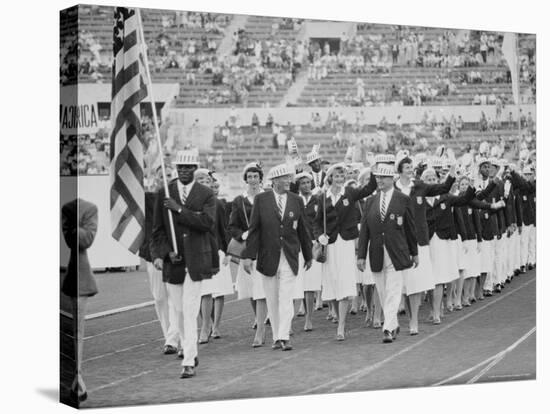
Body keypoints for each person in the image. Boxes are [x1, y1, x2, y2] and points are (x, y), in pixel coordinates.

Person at [150, 149, 217, 379]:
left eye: (188, 168)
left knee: (189, 311)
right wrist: (165, 253)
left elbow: (207, 223)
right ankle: (189, 349)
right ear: (176, 169)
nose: (184, 172)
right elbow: (157, 231)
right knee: (178, 312)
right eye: (180, 168)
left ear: (195, 168)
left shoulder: (206, 193)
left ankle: (188, 361)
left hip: (197, 261)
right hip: (174, 263)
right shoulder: (164, 193)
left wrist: (179, 209)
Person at [242, 163, 313, 351]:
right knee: (272, 298)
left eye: (289, 178)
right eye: (284, 178)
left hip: (290, 255)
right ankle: (276, 336)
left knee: (286, 296)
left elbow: (304, 230)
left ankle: (284, 335)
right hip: (267, 256)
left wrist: (308, 254)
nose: (289, 181)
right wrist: (248, 256)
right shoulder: (261, 200)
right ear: (274, 181)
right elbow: (254, 230)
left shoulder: (296, 200)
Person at [313, 162, 377, 340]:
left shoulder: (350, 193)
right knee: (332, 281)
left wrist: (372, 169)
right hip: (330, 244)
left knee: (344, 280)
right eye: (337, 176)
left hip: (346, 242)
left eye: (343, 176)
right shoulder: (322, 197)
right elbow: (316, 223)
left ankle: (341, 326)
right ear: (330, 178)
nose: (340, 179)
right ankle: (335, 313)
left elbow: (369, 188)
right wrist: (319, 237)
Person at [393, 154, 456, 335]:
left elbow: (442, 187)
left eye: (411, 166)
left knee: (416, 283)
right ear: (399, 170)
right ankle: (401, 319)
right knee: (401, 284)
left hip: (419, 240)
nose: (410, 169)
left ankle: (414, 321)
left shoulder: (419, 186)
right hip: (398, 240)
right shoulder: (393, 188)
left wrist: (451, 172)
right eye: (406, 167)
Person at [357, 163, 418, 343]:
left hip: (397, 251)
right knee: (383, 291)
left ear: (392, 178)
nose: (380, 180)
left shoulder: (403, 199)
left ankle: (388, 328)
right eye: (377, 177)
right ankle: (393, 323)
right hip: (376, 251)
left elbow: (410, 228)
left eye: (383, 177)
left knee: (393, 289)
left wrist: (414, 253)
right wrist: (361, 255)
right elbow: (364, 231)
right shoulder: (370, 201)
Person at [61, 198, 99, 403]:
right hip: (73, 276)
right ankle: (76, 378)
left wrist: (78, 224)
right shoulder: (68, 208)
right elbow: (71, 239)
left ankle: (78, 377)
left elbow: (85, 241)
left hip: (79, 277)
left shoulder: (89, 208)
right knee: (74, 329)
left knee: (78, 329)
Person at [140, 167, 180, 354]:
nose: (165, 178)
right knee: (159, 298)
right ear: (155, 178)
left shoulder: (180, 200)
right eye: (162, 175)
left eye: (170, 175)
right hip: (154, 255)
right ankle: (169, 336)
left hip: (176, 256)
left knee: (175, 297)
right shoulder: (147, 199)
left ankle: (173, 338)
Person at [228, 162, 268, 347]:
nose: (253, 180)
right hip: (248, 249)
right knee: (252, 289)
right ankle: (258, 318)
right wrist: (241, 234)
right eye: (249, 177)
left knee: (265, 287)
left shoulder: (268, 196)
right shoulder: (239, 201)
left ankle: (264, 325)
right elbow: (232, 225)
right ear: (245, 179)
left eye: (255, 176)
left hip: (266, 247)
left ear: (261, 178)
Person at [294, 172, 322, 332]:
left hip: (312, 242)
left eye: (308, 182)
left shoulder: (317, 200)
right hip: (296, 243)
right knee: (297, 282)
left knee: (310, 283)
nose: (306, 185)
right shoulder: (294, 200)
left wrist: (318, 240)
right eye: (303, 183)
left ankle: (309, 318)